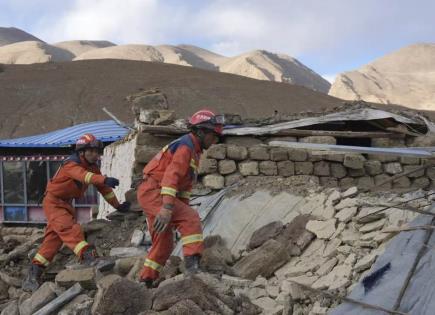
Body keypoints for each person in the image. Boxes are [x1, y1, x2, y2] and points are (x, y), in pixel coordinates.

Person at [22, 133, 130, 292]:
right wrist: (103, 178)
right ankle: (89, 258)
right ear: (81, 152)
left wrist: (118, 205)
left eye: (97, 151)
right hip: (53, 202)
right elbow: (84, 177)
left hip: (65, 204)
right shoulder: (71, 164)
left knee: (53, 241)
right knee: (70, 229)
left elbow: (105, 190)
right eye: (91, 151)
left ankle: (33, 274)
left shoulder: (92, 168)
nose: (95, 154)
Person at [137, 109, 224, 287]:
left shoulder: (194, 150)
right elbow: (171, 177)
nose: (214, 141)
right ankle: (192, 267)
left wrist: (178, 212)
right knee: (191, 218)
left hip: (154, 192)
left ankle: (145, 280)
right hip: (155, 192)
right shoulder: (186, 147)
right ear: (200, 131)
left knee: (164, 243)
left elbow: (183, 187)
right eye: (213, 136)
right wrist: (168, 208)